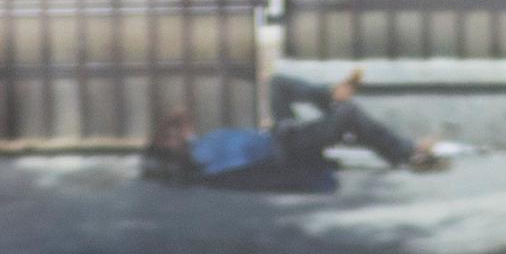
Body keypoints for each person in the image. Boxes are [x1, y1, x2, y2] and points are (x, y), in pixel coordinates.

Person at [142, 69, 443, 193]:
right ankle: (407, 152)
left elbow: (180, 117)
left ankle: (329, 96)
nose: (177, 135)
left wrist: (168, 131)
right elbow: (255, 176)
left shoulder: (195, 145)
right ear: (172, 154)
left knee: (277, 84)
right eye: (171, 140)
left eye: (174, 135)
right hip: (286, 149)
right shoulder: (202, 165)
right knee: (348, 116)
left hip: (279, 135)